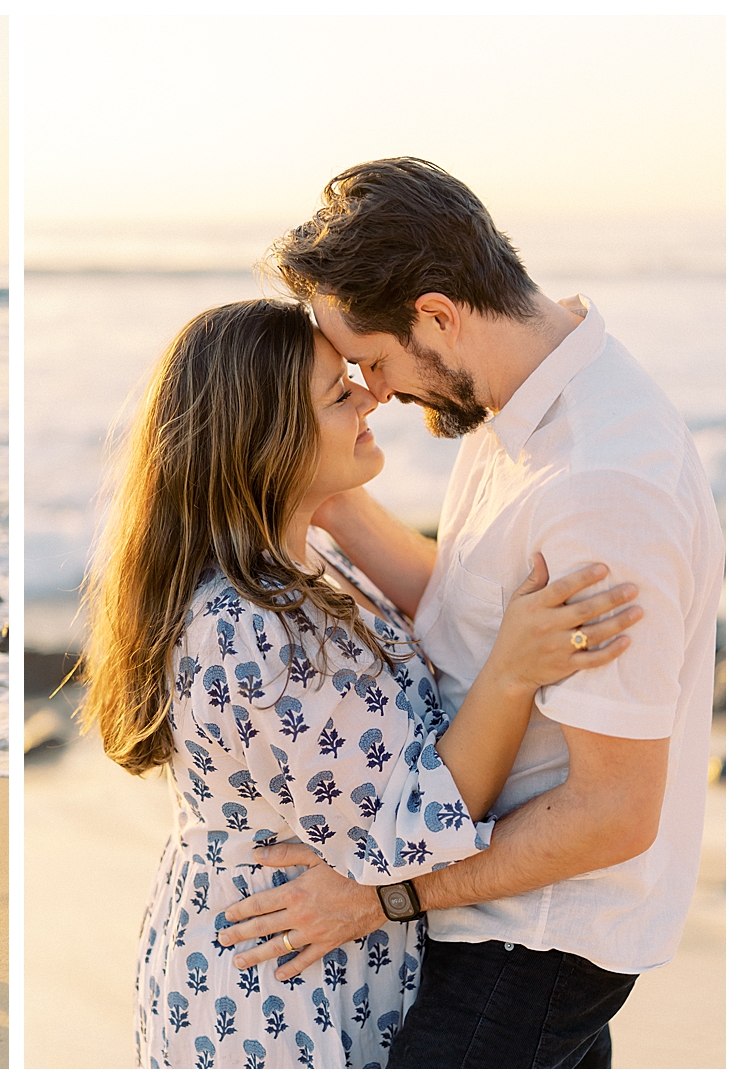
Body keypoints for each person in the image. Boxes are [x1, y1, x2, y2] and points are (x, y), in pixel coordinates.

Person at [221, 158, 724, 1068]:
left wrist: (379, 898)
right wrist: (320, 490)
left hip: (527, 942)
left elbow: (614, 811)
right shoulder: (528, 405)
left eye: (373, 362)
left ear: (438, 314)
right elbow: (463, 608)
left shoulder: (602, 485)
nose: (373, 390)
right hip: (499, 924)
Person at [81, 298, 642, 1068]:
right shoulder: (245, 625)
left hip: (327, 962)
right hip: (271, 989)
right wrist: (513, 670)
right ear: (268, 441)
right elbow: (405, 831)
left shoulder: (309, 565)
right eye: (339, 393)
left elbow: (437, 620)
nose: (371, 397)